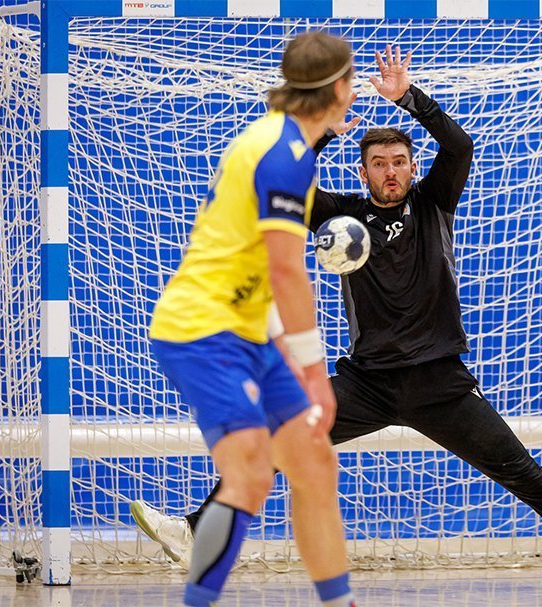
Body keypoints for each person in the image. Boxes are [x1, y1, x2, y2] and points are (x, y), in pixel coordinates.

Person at [135, 45, 542, 591]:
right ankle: (195, 532)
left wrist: (408, 98)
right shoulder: (340, 215)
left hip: (439, 383)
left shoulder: (433, 202)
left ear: (412, 168)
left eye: (398, 162)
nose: (389, 172)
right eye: (378, 163)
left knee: (522, 472)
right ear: (363, 170)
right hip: (368, 381)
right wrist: (321, 134)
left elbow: (459, 146)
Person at [143, 31, 358, 607]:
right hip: (202, 331)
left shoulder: (283, 143)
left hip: (249, 329)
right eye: (352, 78)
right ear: (340, 88)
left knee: (314, 463)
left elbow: (261, 264)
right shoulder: (283, 155)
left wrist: (281, 345)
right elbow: (287, 270)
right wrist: (313, 372)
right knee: (251, 475)